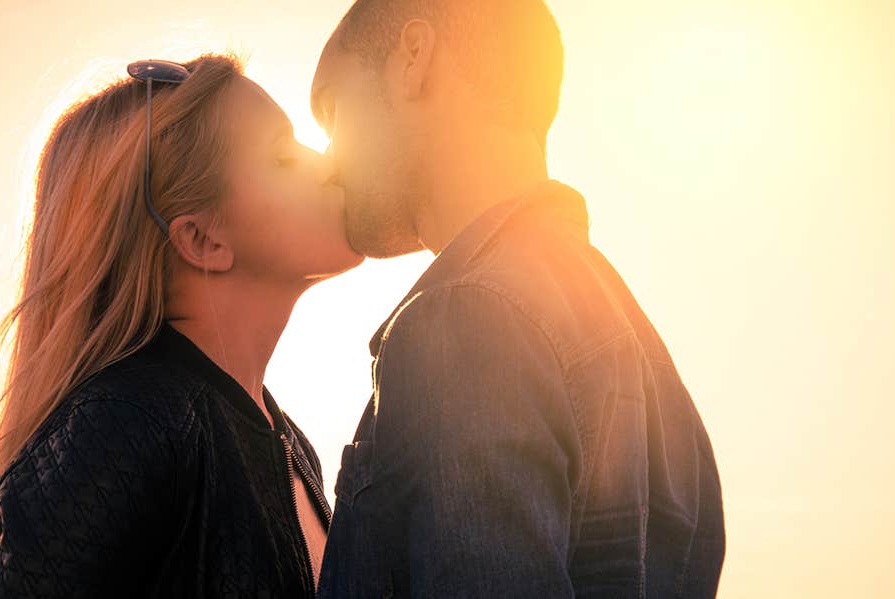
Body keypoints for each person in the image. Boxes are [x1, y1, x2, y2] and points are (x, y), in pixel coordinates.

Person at [311, 1, 726, 597]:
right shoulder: (642, 350)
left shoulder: (467, 318)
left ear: (413, 59)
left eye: (331, 109)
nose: (327, 162)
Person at [0, 54, 361, 598]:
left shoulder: (286, 442)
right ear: (202, 240)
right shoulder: (125, 425)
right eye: (284, 157)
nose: (330, 163)